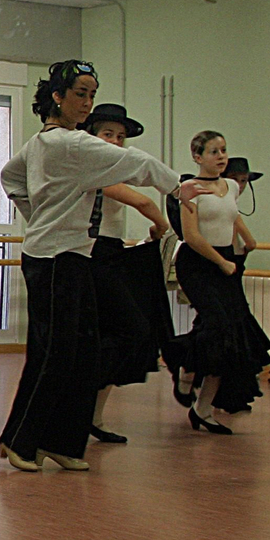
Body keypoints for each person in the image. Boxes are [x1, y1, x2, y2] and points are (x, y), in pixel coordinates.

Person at [0, 60, 195, 473]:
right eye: (80, 93)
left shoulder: (46, 144)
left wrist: (38, 213)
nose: (87, 103)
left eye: (91, 94)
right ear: (57, 97)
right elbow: (136, 163)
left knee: (84, 353)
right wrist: (177, 185)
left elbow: (10, 177)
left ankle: (61, 441)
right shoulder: (65, 144)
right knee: (55, 353)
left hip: (71, 255)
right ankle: (21, 440)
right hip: (53, 259)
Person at [83, 103, 174, 444]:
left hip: (111, 251)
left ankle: (94, 414)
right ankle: (82, 409)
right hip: (91, 255)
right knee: (118, 330)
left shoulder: (112, 169)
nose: (116, 142)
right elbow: (143, 202)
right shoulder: (90, 168)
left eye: (120, 137)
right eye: (108, 134)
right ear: (91, 136)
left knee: (117, 334)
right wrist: (162, 225)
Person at [171, 132, 270, 434]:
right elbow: (191, 236)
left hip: (226, 262)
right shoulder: (189, 189)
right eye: (213, 151)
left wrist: (247, 236)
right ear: (197, 156)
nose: (221, 156)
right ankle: (184, 364)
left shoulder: (230, 186)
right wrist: (220, 261)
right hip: (199, 264)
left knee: (233, 333)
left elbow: (230, 213)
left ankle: (203, 409)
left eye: (224, 150)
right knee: (216, 325)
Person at [209, 157, 267, 413]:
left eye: (244, 182)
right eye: (237, 180)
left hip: (231, 266)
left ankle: (227, 392)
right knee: (228, 329)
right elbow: (246, 239)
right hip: (222, 268)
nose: (240, 186)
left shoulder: (229, 202)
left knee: (234, 330)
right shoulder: (223, 202)